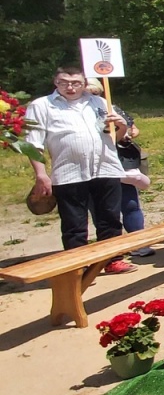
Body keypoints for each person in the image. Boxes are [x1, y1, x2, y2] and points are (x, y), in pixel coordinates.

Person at [25, 66, 135, 274]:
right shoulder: (42, 106)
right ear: (55, 83)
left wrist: (121, 127)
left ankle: (112, 259)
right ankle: (78, 265)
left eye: (76, 83)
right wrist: (41, 174)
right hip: (68, 172)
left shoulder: (100, 102)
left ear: (85, 84)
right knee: (74, 222)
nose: (70, 87)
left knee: (109, 217)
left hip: (105, 167)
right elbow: (33, 143)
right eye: (64, 82)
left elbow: (114, 139)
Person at [85, 79, 154, 257]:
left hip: (120, 163)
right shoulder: (76, 114)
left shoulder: (109, 107)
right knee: (103, 211)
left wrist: (126, 130)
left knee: (130, 204)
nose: (92, 96)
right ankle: (111, 251)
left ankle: (138, 242)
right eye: (88, 92)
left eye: (95, 92)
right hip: (92, 167)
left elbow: (133, 128)